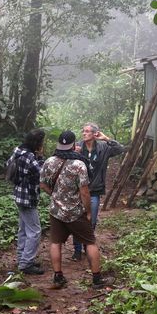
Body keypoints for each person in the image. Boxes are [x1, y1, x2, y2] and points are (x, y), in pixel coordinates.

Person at [39, 130, 114, 289]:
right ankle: (97, 279)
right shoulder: (79, 164)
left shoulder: (49, 161)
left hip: (56, 211)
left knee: (56, 242)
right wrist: (87, 212)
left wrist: (56, 194)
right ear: (74, 145)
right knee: (90, 242)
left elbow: (43, 184)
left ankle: (58, 277)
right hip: (75, 211)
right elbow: (85, 192)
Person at [71, 122, 124, 261]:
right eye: (83, 131)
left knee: (91, 221)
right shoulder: (77, 147)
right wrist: (73, 154)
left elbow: (120, 149)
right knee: (77, 220)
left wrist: (106, 138)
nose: (84, 133)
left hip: (94, 190)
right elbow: (65, 162)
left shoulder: (103, 147)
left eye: (88, 131)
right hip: (78, 190)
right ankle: (76, 250)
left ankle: (86, 246)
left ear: (95, 133)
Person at [9, 128, 46, 275]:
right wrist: (42, 158)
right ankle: (26, 264)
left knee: (24, 229)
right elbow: (42, 173)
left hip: (18, 194)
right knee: (35, 231)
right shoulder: (29, 156)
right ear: (36, 142)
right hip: (28, 197)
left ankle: (22, 259)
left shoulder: (18, 150)